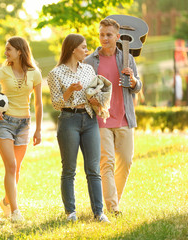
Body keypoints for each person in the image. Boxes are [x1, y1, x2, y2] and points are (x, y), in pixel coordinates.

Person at [47, 33, 109, 223]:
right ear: (73, 49)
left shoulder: (89, 70)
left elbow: (94, 93)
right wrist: (69, 91)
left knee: (93, 169)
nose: (86, 50)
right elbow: (57, 104)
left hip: (89, 119)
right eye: (83, 47)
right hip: (68, 120)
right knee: (69, 169)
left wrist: (96, 100)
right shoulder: (55, 74)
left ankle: (99, 212)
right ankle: (70, 213)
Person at [0, 36, 43, 222]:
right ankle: (15, 211)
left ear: (20, 51)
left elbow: (38, 104)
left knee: (17, 169)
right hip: (4, 123)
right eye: (6, 49)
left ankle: (7, 201)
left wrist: (38, 130)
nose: (6, 52)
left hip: (24, 123)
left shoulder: (35, 73)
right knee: (11, 166)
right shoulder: (3, 71)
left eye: (9, 49)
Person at [84, 18, 143, 216]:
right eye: (102, 34)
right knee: (106, 162)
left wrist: (133, 80)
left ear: (118, 37)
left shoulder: (127, 58)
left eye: (109, 35)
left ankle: (112, 199)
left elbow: (137, 87)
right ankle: (112, 207)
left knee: (126, 161)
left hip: (124, 117)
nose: (104, 38)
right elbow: (85, 89)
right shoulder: (90, 61)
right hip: (101, 119)